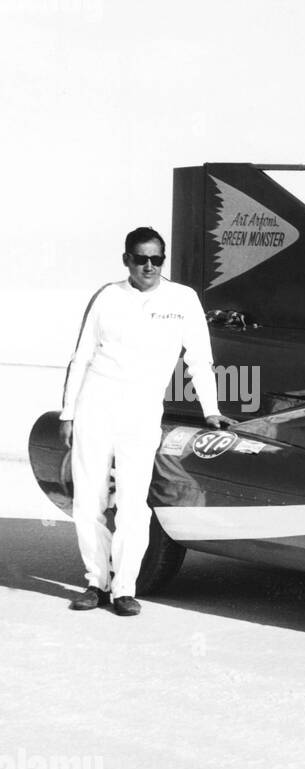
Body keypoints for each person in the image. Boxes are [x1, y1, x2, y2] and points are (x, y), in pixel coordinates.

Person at [59, 227, 230, 616]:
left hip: (141, 411)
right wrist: (69, 412)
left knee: (135, 503)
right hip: (96, 405)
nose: (149, 266)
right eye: (140, 258)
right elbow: (81, 357)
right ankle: (95, 582)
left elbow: (199, 359)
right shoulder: (107, 296)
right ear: (127, 260)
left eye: (156, 259)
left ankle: (124, 588)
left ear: (163, 260)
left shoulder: (182, 299)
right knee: (89, 501)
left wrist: (211, 409)